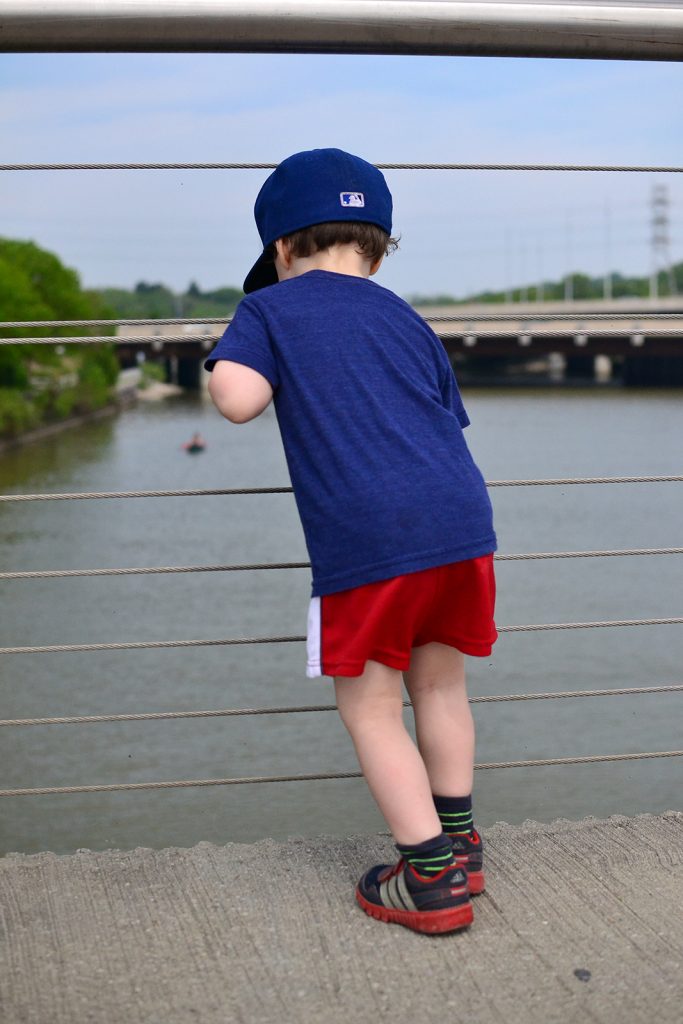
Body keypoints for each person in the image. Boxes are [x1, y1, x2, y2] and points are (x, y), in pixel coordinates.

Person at [205, 148, 497, 935]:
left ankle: (428, 881)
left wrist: (230, 352)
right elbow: (444, 419)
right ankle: (462, 846)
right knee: (440, 687)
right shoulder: (405, 315)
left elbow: (236, 400)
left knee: (370, 707)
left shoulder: (270, 309)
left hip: (371, 541)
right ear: (377, 244)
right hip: (463, 526)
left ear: (279, 248)